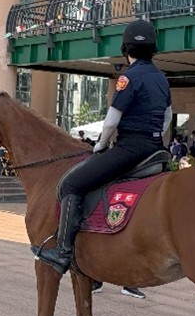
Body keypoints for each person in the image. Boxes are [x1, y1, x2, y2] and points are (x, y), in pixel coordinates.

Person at [38, 18, 171, 277]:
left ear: (126, 49)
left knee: (72, 185)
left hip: (130, 149)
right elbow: (167, 119)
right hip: (156, 149)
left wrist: (100, 145)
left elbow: (111, 122)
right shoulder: (162, 79)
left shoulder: (128, 77)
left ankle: (63, 252)